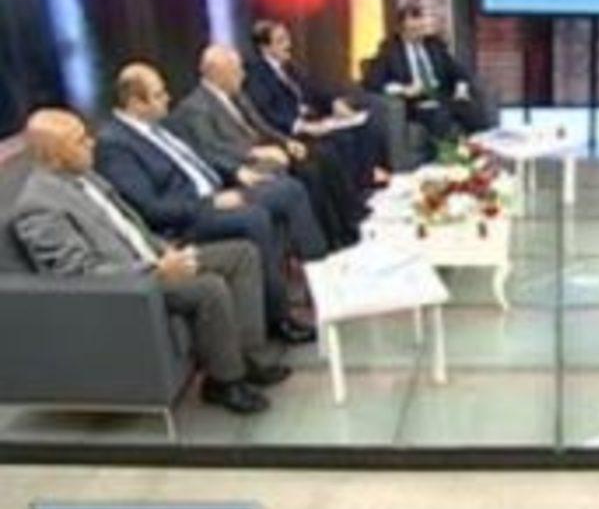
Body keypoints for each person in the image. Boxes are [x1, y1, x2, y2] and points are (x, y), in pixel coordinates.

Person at [11, 109, 292, 414]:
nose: (91, 143)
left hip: (153, 258)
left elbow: (131, 227)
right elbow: (79, 274)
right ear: (53, 155)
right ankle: (224, 382)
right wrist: (155, 270)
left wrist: (164, 250)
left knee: (241, 254)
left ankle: (245, 357)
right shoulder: (38, 206)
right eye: (79, 141)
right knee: (208, 287)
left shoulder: (85, 175)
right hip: (131, 285)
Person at [95, 62, 316, 343]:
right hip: (186, 219)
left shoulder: (158, 127)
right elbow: (149, 208)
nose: (168, 99)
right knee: (254, 218)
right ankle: (279, 317)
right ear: (135, 102)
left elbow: (199, 158)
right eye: (159, 95)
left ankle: (318, 275)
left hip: (215, 192)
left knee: (288, 189)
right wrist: (207, 204)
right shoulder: (115, 144)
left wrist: (236, 172)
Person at [169, 45, 352, 254]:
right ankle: (316, 251)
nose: (243, 75)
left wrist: (286, 143)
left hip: (264, 152)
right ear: (218, 73)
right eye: (237, 70)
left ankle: (339, 233)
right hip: (242, 165)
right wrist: (251, 154)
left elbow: (261, 125)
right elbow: (211, 148)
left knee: (321, 157)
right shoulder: (196, 107)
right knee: (305, 174)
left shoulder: (236, 95)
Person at [243, 19, 391, 190]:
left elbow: (314, 89)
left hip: (314, 121)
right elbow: (268, 112)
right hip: (291, 131)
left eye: (287, 39)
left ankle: (368, 181)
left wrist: (334, 103)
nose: (288, 45)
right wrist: (301, 126)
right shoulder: (256, 74)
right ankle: (356, 190)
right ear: (265, 48)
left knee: (365, 127)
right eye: (281, 41)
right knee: (341, 141)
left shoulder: (289, 66)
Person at [363, 5, 489, 158]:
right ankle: (451, 157)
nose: (418, 34)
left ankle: (481, 152)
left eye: (420, 28)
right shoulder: (390, 50)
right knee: (438, 115)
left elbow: (458, 70)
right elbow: (372, 82)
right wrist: (403, 89)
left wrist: (461, 89)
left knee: (474, 110)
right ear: (401, 30)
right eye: (413, 30)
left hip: (442, 96)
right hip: (414, 102)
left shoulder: (433, 44)